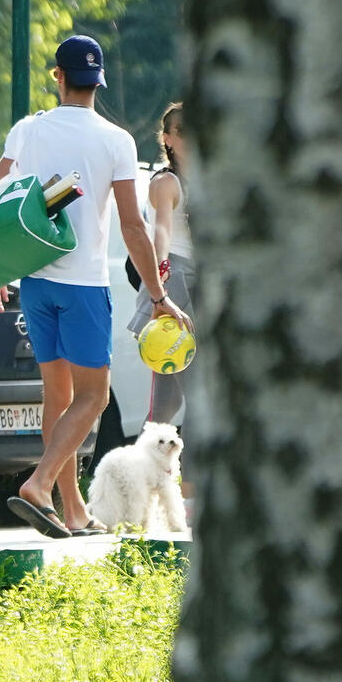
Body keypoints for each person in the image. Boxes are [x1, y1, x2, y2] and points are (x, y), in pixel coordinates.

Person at [0, 34, 192, 538]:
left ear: (58, 76)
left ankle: (71, 509)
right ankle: (39, 484)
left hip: (36, 281)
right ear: (99, 81)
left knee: (60, 396)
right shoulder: (116, 140)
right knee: (94, 398)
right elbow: (132, 225)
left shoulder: (28, 130)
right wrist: (160, 299)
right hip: (82, 285)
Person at [127, 102, 197, 500]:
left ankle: (142, 490)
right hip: (179, 285)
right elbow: (162, 232)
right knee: (191, 399)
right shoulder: (166, 182)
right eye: (184, 130)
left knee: (165, 407)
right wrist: (162, 280)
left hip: (206, 284)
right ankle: (188, 496)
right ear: (167, 139)